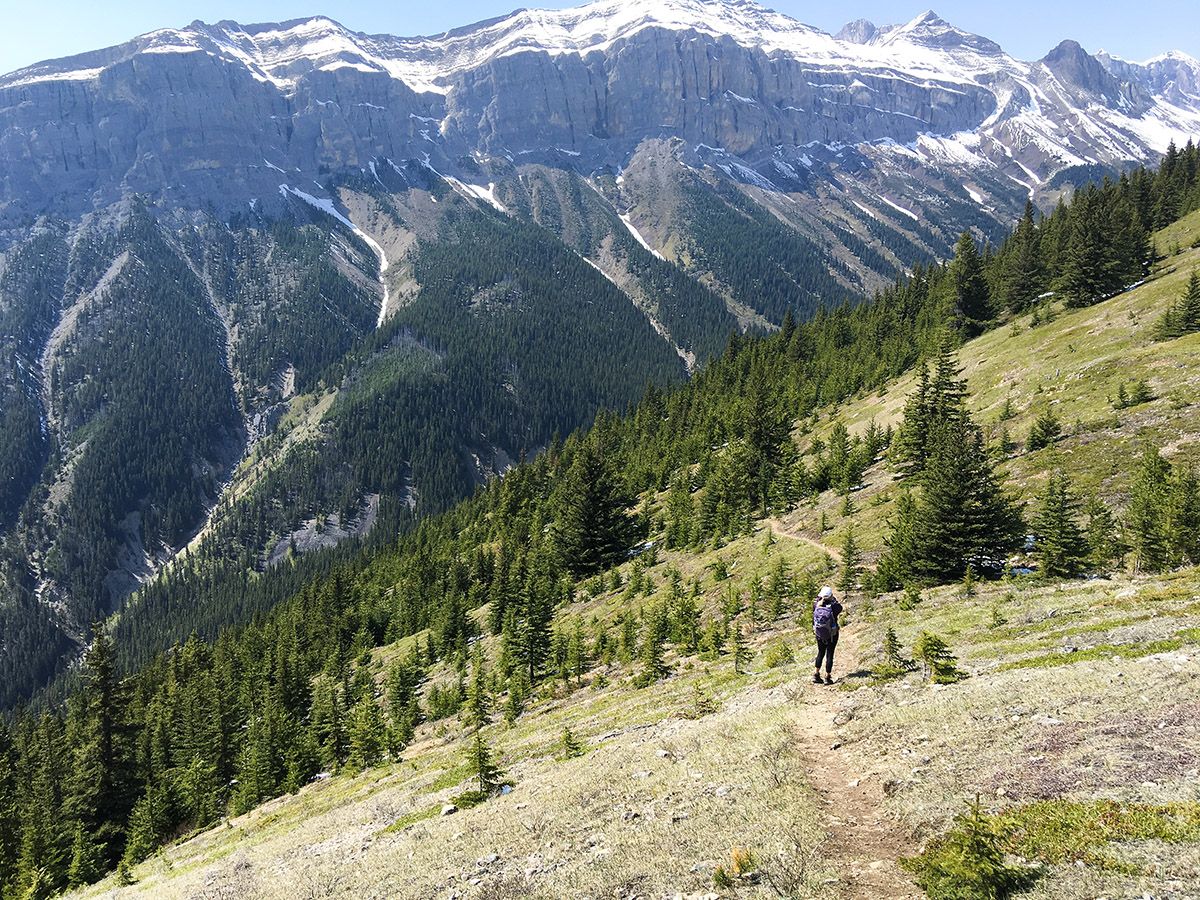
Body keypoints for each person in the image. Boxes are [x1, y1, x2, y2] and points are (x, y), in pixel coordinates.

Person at [812, 585, 843, 685]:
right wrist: (834, 600)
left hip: (819, 634)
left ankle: (816, 674)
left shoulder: (816, 604)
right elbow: (840, 608)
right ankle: (827, 677)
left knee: (820, 652)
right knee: (830, 654)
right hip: (832, 634)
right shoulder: (834, 607)